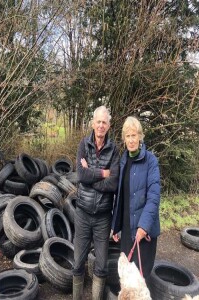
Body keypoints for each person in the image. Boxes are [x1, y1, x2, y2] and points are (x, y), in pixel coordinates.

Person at [73, 105, 120, 300]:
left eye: (104, 122)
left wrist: (93, 180)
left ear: (109, 126)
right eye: (98, 122)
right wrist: (102, 174)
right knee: (77, 263)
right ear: (93, 123)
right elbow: (81, 175)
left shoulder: (114, 149)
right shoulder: (84, 145)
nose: (101, 126)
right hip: (83, 214)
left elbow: (114, 182)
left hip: (102, 217)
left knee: (101, 267)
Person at [111, 116, 161, 279]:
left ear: (140, 137)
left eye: (134, 136)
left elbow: (154, 197)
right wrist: (116, 225)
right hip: (126, 230)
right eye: (128, 136)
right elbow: (120, 196)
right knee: (127, 278)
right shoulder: (123, 161)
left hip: (143, 232)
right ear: (124, 139)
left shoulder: (151, 161)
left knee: (140, 279)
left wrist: (144, 226)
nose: (131, 140)